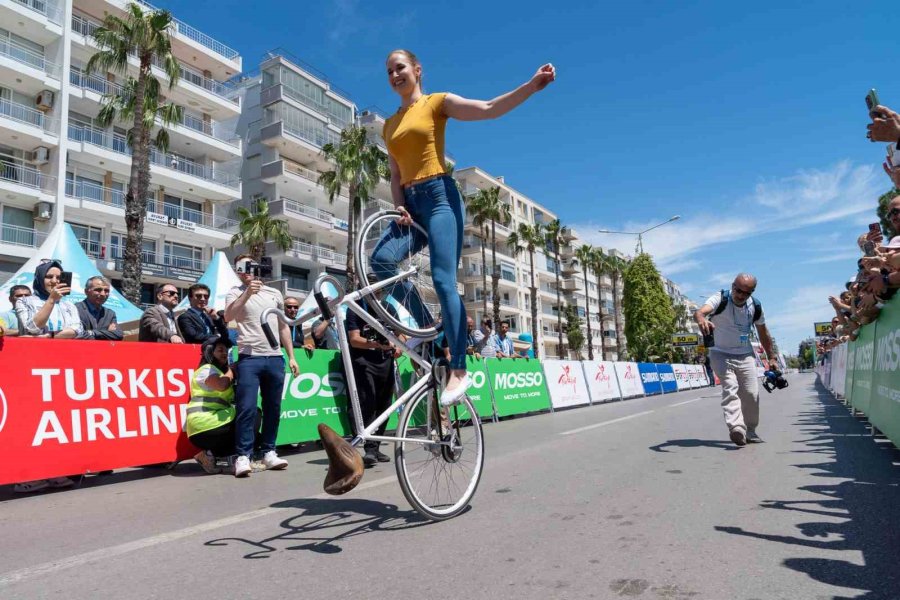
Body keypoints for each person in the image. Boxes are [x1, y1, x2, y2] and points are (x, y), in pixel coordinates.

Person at [372, 49, 555, 406]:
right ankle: (427, 328)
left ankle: (458, 368)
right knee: (380, 262)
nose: (395, 75)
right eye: (389, 71)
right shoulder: (388, 125)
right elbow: (395, 175)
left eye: (400, 68)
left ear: (417, 70)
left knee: (443, 280)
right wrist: (398, 206)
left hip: (440, 197)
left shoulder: (437, 103)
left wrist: (531, 86)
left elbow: (487, 108)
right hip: (409, 206)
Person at [223, 254, 299, 478]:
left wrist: (291, 356)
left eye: (250, 266)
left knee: (273, 408)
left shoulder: (275, 293)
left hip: (275, 358)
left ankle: (269, 451)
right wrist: (247, 293)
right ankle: (243, 456)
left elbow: (283, 326)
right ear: (238, 270)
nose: (247, 270)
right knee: (246, 408)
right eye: (242, 267)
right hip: (249, 357)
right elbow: (228, 316)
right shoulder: (234, 292)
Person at [695, 273, 778, 447]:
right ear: (732, 286)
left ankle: (751, 430)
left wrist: (772, 357)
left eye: (746, 293)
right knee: (730, 387)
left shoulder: (755, 306)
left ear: (752, 292)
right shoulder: (720, 298)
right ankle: (737, 428)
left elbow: (763, 333)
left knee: (751, 394)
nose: (740, 295)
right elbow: (700, 312)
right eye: (738, 290)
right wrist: (702, 319)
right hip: (720, 352)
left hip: (745, 354)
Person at [345, 277, 401, 466]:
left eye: (379, 290)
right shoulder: (355, 308)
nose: (377, 293)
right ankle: (368, 448)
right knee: (366, 403)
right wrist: (378, 344)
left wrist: (399, 346)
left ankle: (375, 448)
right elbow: (354, 339)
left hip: (385, 362)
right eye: (373, 290)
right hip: (363, 362)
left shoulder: (388, 308)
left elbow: (401, 332)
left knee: (385, 405)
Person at [186, 337, 238, 474]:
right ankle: (231, 458)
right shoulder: (206, 370)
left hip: (209, 425)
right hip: (205, 425)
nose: (225, 353)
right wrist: (233, 370)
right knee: (252, 416)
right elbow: (221, 385)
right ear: (209, 352)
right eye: (220, 350)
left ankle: (211, 456)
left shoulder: (220, 372)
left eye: (226, 350)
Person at [16, 260, 82, 339]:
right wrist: (51, 300)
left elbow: (78, 330)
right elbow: (32, 328)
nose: (54, 281)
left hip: (62, 349)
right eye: (49, 277)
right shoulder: (24, 301)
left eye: (58, 277)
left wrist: (51, 336)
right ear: (39, 279)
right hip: (33, 349)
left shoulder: (69, 305)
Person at [75, 276, 124, 341]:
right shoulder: (75, 309)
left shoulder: (110, 314)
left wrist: (92, 333)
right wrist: (107, 334)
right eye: (98, 290)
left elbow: (118, 335)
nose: (103, 294)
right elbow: (77, 335)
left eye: (106, 290)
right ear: (86, 291)